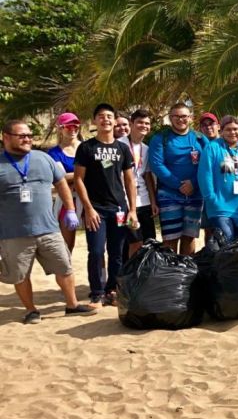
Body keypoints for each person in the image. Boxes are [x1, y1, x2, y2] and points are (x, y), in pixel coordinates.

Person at [1, 119, 96, 323]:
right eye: (22, 136)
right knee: (21, 274)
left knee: (64, 267)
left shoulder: (43, 158)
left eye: (29, 135)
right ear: (6, 137)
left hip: (48, 228)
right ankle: (31, 310)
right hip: (13, 233)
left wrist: (70, 210)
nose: (27, 139)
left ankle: (72, 305)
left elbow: (61, 181)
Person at [74, 104, 138, 305]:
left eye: (109, 116)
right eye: (101, 116)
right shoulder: (86, 147)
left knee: (117, 252)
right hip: (96, 210)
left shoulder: (122, 148)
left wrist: (133, 210)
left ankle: (113, 290)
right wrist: (88, 208)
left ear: (115, 120)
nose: (106, 120)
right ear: (95, 121)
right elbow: (78, 180)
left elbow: (129, 181)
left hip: (119, 209)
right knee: (95, 251)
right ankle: (97, 291)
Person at [149, 102, 208, 255]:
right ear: (170, 118)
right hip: (169, 195)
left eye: (184, 116)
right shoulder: (160, 138)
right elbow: (157, 165)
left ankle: (186, 273)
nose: (180, 119)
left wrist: (193, 184)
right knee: (170, 238)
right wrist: (179, 185)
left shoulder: (200, 138)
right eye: (176, 116)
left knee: (189, 237)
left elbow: (207, 164)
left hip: (195, 195)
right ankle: (171, 275)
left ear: (190, 118)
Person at [198, 115, 238, 241]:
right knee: (226, 243)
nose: (232, 132)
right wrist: (212, 199)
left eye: (235, 129)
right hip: (221, 207)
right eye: (228, 129)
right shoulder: (212, 148)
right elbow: (204, 176)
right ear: (221, 131)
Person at [121, 109, 158, 258]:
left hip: (144, 201)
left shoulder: (146, 149)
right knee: (132, 241)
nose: (144, 126)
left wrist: (153, 201)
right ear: (132, 123)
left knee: (149, 242)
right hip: (125, 202)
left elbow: (147, 176)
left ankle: (143, 276)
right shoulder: (119, 145)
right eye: (140, 122)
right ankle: (128, 276)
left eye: (147, 123)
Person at [46, 112, 83, 254]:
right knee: (67, 246)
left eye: (75, 125)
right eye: (68, 126)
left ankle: (102, 276)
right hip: (67, 200)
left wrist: (73, 176)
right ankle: (66, 274)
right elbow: (60, 177)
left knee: (97, 245)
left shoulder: (87, 147)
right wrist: (85, 173)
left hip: (90, 197)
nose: (72, 129)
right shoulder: (54, 152)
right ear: (60, 128)